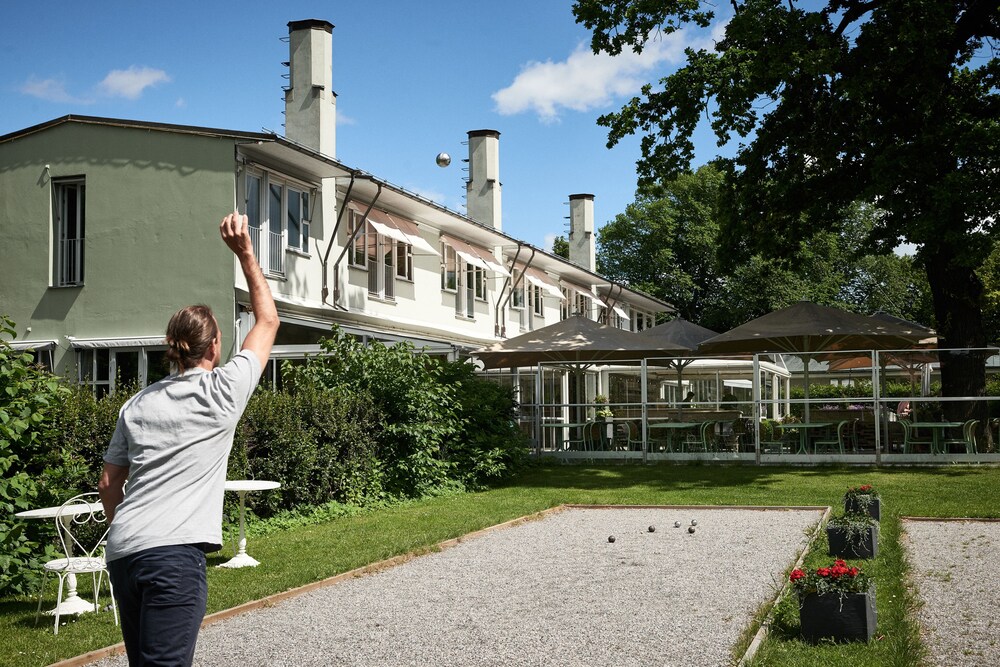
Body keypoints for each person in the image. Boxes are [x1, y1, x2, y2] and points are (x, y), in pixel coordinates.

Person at [98, 212, 279, 666]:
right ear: (215, 347)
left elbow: (108, 484)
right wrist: (246, 255)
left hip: (124, 553)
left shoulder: (136, 404)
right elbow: (268, 321)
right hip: (172, 558)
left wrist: (132, 529)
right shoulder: (223, 390)